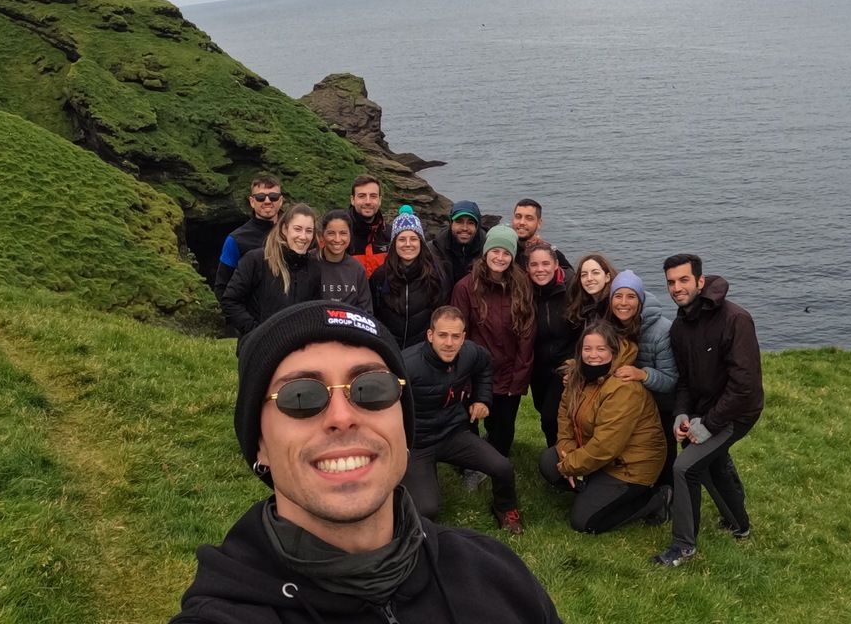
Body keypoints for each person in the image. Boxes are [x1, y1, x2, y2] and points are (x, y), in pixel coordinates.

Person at [169, 300, 564, 623]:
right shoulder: (225, 614)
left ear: (401, 422)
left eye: (371, 388)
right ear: (259, 443)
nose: (342, 417)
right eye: (301, 396)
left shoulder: (497, 573)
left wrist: (481, 399)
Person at [652, 254, 764, 567]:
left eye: (683, 280)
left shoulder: (735, 319)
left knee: (685, 467)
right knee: (709, 463)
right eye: (671, 282)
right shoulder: (679, 327)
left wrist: (708, 425)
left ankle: (683, 546)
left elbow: (744, 387)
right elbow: (685, 381)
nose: (677, 287)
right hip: (705, 410)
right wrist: (682, 414)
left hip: (738, 412)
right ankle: (738, 525)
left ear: (700, 281)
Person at [401, 306, 524, 534]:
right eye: (442, 335)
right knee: (427, 509)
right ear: (430, 335)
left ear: (463, 337)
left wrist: (482, 399)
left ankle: (505, 509)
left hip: (453, 434)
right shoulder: (407, 365)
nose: (449, 343)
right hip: (418, 443)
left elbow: (485, 365)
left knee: (502, 467)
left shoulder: (470, 353)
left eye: (455, 336)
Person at [539, 320, 670, 534]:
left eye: (601, 349)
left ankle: (655, 499)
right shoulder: (577, 376)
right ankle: (593, 487)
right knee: (548, 462)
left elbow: (606, 445)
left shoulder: (623, 387)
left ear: (613, 352)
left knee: (584, 522)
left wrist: (569, 465)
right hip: (599, 456)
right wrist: (568, 453)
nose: (593, 355)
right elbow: (564, 419)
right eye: (587, 349)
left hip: (630, 466)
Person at [451, 225, 535, 458]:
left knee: (503, 431)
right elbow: (459, 333)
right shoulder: (465, 287)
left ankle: (496, 460)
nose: (500, 257)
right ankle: (470, 464)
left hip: (509, 371)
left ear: (513, 256)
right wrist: (464, 379)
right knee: (468, 422)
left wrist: (519, 378)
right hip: (476, 371)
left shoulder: (522, 285)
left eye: (506, 253)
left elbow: (527, 334)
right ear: (486, 252)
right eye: (495, 251)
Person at [605, 270, 679, 485]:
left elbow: (671, 379)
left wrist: (642, 374)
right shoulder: (609, 326)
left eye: (631, 296)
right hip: (628, 403)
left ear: (640, 300)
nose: (623, 303)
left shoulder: (662, 331)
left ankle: (667, 491)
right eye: (618, 296)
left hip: (661, 406)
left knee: (663, 453)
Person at [221, 204, 322, 340]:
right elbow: (230, 301)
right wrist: (256, 332)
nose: (303, 236)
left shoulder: (314, 267)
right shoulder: (256, 260)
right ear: (284, 229)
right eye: (297, 229)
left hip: (297, 346)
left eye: (309, 231)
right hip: (259, 345)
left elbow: (315, 310)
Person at [370, 207, 448, 349]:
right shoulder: (380, 276)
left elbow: (441, 315)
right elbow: (373, 314)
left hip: (422, 351)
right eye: (402, 239)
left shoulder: (436, 274)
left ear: (421, 243)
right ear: (394, 244)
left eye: (413, 239)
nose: (408, 244)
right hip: (388, 348)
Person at [526, 240, 578, 447]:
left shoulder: (572, 287)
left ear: (556, 264)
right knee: (544, 411)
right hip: (538, 367)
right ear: (527, 268)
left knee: (551, 417)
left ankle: (560, 458)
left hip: (566, 365)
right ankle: (557, 455)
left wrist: (577, 363)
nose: (540, 270)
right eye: (534, 265)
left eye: (546, 264)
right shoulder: (525, 292)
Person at [214, 174, 284, 302]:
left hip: (290, 311)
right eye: (260, 197)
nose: (267, 201)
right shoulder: (235, 239)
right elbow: (222, 287)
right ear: (252, 201)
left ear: (281, 200)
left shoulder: (294, 235)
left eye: (273, 196)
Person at [317, 209, 373, 313]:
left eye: (343, 233)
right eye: (331, 233)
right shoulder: (310, 262)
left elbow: (366, 311)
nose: (337, 239)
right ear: (322, 235)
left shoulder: (357, 269)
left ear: (350, 235)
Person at [429, 200, 486, 288]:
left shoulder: (487, 250)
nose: (465, 228)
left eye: (470, 223)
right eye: (459, 222)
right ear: (451, 223)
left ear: (477, 226)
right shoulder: (435, 249)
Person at [511, 198, 574, 274]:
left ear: (539, 223)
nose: (522, 222)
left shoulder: (551, 253)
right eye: (518, 217)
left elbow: (571, 276)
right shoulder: (504, 250)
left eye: (529, 218)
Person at [347, 175, 390, 278]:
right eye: (362, 196)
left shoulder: (390, 234)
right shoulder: (340, 235)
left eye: (373, 196)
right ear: (352, 200)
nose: (368, 202)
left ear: (380, 200)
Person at [565, 253, 618, 333]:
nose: (589, 278)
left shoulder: (615, 306)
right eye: (584, 275)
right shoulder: (580, 307)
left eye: (595, 273)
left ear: (607, 277)